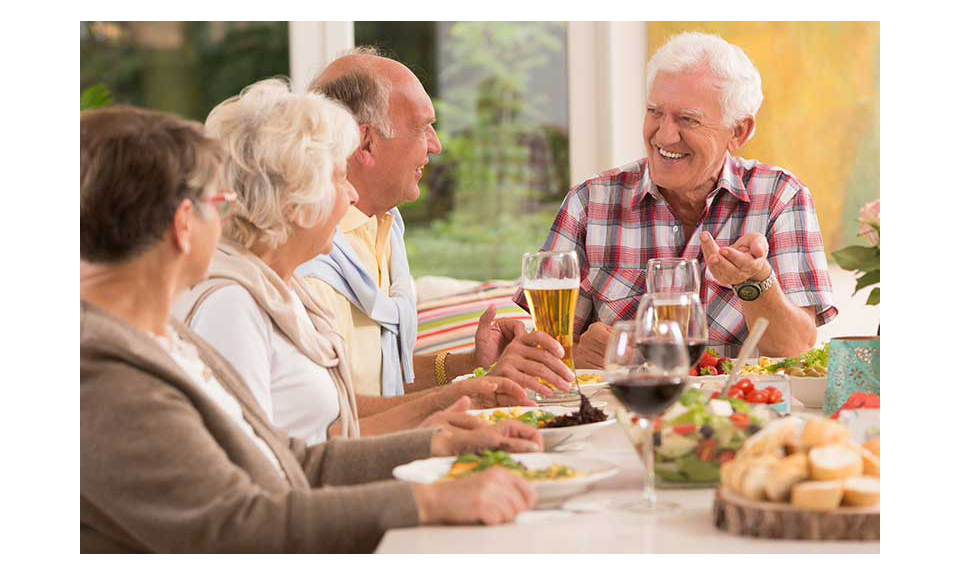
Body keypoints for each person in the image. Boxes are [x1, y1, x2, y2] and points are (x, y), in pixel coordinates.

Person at [81, 105, 541, 553]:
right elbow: (236, 526)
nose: (228, 221)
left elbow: (289, 459)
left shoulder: (160, 341)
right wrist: (427, 500)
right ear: (184, 224)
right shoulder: (107, 374)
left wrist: (438, 441)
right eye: (217, 204)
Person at [176, 79, 543, 441]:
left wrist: (464, 391)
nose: (351, 195)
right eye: (338, 177)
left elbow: (333, 422)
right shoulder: (232, 307)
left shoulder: (280, 288)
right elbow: (271, 467)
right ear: (295, 205)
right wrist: (435, 431)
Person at [516, 32, 837, 366]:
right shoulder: (590, 202)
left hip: (739, 412)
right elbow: (547, 352)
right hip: (624, 409)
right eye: (655, 111)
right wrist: (578, 356)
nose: (664, 135)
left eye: (688, 119)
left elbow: (797, 348)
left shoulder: (780, 197)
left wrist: (754, 282)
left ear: (739, 131)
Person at [297, 48, 575, 398]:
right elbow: (335, 420)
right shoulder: (306, 257)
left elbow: (384, 383)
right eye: (423, 127)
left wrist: (475, 363)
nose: (437, 145)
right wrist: (475, 389)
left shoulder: (383, 228)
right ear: (365, 143)